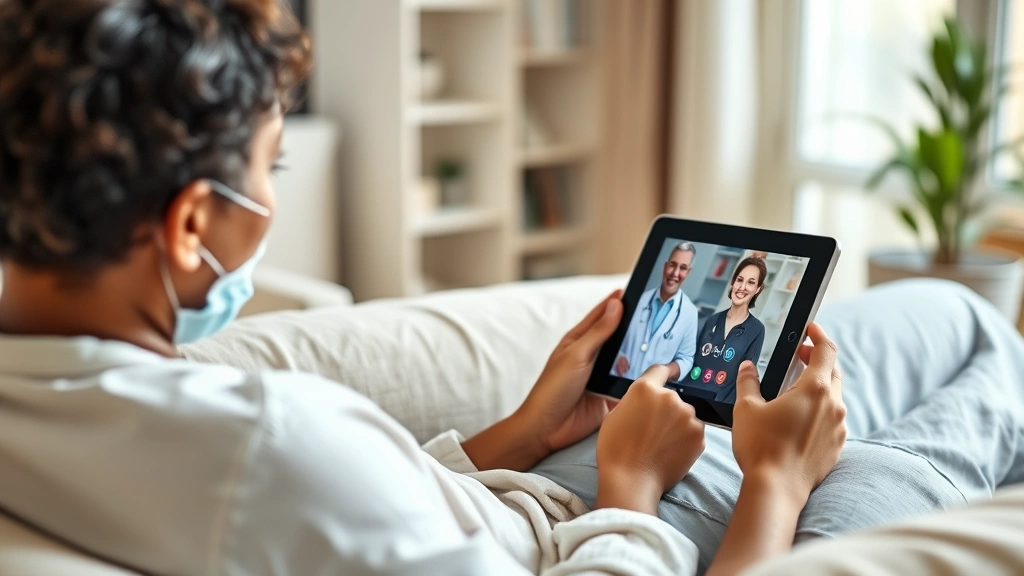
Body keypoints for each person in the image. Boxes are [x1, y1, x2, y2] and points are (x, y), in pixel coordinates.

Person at [0, 2, 1022, 576]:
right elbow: (309, 490)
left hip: (552, 487)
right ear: (188, 225)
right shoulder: (258, 446)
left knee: (950, 317)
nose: (270, 200)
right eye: (272, 168)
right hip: (648, 531)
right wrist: (762, 487)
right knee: (982, 357)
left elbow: (362, 521)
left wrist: (525, 432)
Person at [614, 242, 699, 381]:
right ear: (665, 266)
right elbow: (614, 336)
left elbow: (686, 359)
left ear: (688, 273)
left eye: (683, 268)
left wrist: (665, 371)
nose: (675, 273)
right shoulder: (640, 299)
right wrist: (618, 355)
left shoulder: (690, 313)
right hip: (619, 380)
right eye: (672, 265)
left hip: (652, 393)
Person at [689, 256, 767, 403]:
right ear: (733, 282)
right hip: (690, 398)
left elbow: (746, 377)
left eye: (750, 283)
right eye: (739, 279)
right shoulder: (712, 320)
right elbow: (693, 362)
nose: (742, 287)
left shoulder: (757, 329)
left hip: (720, 407)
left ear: (757, 289)